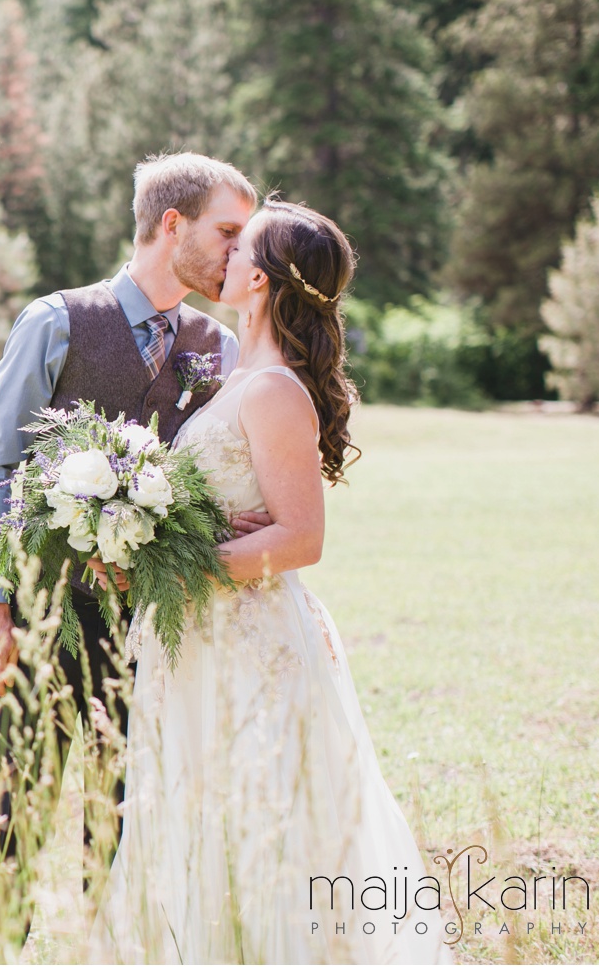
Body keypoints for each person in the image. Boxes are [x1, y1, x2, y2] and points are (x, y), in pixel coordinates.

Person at [87, 200, 451, 963]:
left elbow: (303, 537)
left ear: (257, 277)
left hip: (247, 644)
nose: (221, 255)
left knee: (257, 815)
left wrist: (180, 562)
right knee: (193, 808)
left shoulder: (276, 388)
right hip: (195, 639)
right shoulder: (233, 374)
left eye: (236, 244)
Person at [0, 153, 270, 958]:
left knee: (130, 808)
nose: (242, 254)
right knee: (14, 801)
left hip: (160, 622)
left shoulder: (218, 344)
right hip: (44, 609)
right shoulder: (57, 320)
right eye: (228, 233)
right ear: (172, 226)